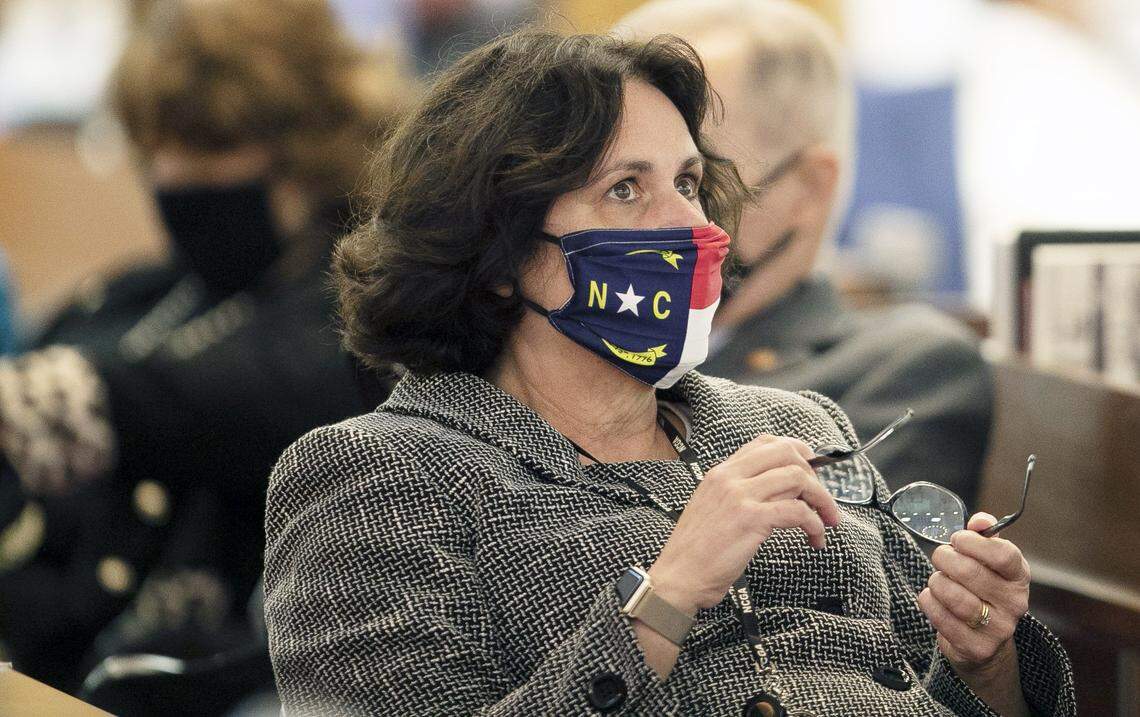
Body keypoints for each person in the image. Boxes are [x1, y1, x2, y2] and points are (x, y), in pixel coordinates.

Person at [263, 28, 1074, 715]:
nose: (689, 223)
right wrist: (664, 596)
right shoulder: (378, 473)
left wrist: (982, 663)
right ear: (497, 251)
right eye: (625, 189)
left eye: (688, 182)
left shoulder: (795, 424)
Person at [0, 0, 407, 694]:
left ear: (302, 151)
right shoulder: (132, 297)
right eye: (157, 144)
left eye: (207, 143)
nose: (171, 175)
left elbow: (253, 393)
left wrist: (51, 400)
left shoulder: (365, 313)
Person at [615, 0, 993, 508]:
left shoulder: (900, 374)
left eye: (694, 180)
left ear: (810, 187)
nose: (656, 217)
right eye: (621, 183)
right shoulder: (549, 332)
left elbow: (824, 571)